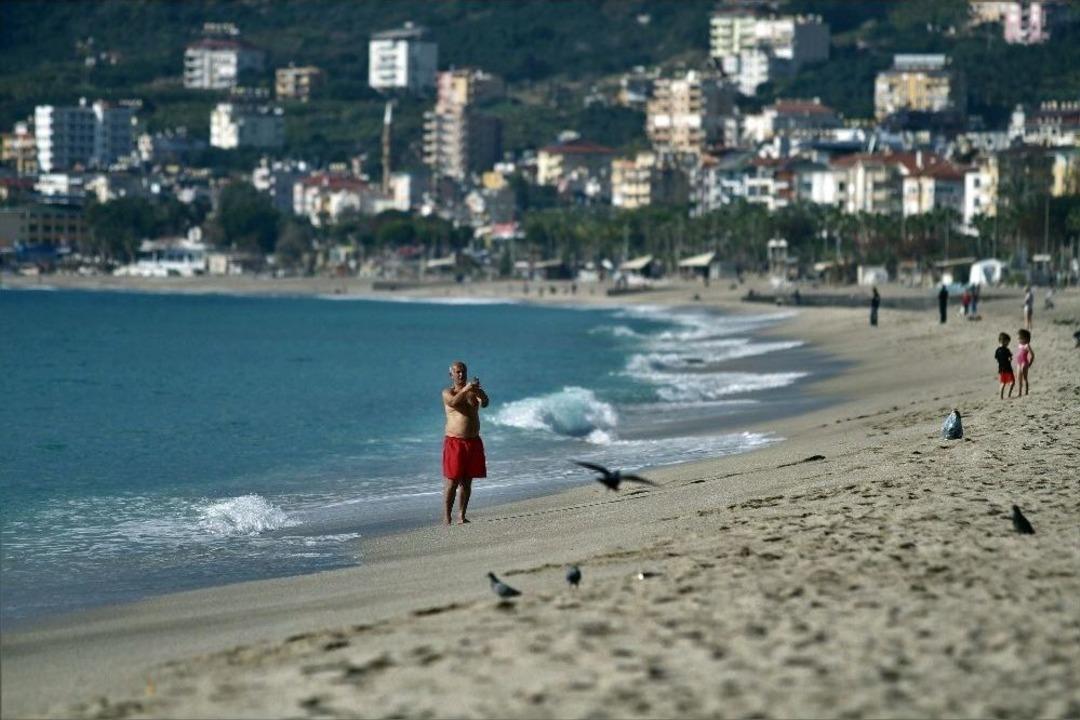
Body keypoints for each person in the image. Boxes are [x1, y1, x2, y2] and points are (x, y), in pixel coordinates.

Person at [441, 361, 489, 525]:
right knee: (453, 481)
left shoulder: (472, 391)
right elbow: (454, 402)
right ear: (451, 375)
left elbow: (486, 403)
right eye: (458, 372)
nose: (461, 374)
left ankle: (461, 515)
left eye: (463, 372)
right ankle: (447, 517)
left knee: (467, 481)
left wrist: (480, 393)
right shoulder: (448, 392)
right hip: (455, 442)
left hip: (473, 441)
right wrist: (467, 388)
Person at [1015, 329, 1035, 397]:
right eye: (1018, 338)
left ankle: (1026, 391)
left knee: (1025, 378)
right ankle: (1019, 392)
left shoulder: (1027, 345)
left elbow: (1032, 355)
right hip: (1019, 363)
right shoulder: (1019, 345)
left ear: (1025, 338)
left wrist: (1030, 363)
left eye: (1020, 338)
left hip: (1024, 362)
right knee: (1018, 378)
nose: (1018, 339)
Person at [995, 332, 1015, 400]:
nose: (1008, 344)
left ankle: (1005, 396)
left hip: (1004, 368)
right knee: (1007, 382)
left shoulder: (1000, 350)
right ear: (1003, 341)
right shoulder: (1004, 350)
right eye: (1007, 342)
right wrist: (1009, 359)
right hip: (1006, 369)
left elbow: (997, 358)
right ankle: (1005, 396)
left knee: (1005, 383)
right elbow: (1010, 358)